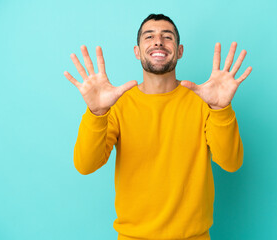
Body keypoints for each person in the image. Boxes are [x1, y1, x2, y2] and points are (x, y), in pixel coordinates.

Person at [64, 13, 252, 240]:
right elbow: (85, 164)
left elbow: (231, 162)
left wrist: (221, 109)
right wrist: (97, 113)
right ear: (137, 51)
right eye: (149, 36)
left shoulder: (203, 102)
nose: (158, 41)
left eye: (167, 37)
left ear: (180, 51)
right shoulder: (118, 104)